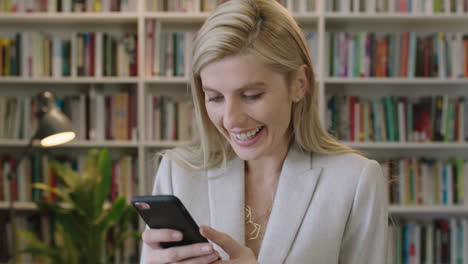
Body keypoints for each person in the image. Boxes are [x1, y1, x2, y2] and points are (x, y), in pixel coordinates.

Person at [140, 0, 388, 263]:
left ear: (299, 83)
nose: (231, 119)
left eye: (251, 95)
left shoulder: (354, 181)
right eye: (214, 97)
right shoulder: (177, 173)